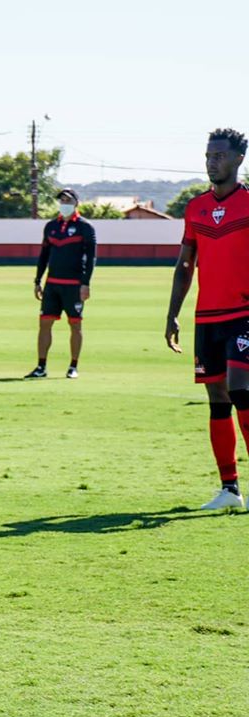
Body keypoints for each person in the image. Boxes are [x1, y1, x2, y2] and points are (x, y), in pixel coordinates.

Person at [165, 127, 249, 511]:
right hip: (208, 317)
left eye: (218, 155)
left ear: (238, 160)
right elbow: (185, 264)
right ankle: (229, 489)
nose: (211, 161)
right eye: (208, 155)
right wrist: (172, 314)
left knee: (240, 387)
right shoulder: (195, 208)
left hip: (244, 313)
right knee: (217, 398)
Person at [25, 188, 96, 379]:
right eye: (62, 200)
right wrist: (38, 280)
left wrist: (85, 283)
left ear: (76, 203)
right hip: (52, 284)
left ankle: (73, 367)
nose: (64, 203)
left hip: (73, 285)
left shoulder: (85, 227)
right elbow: (44, 255)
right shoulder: (50, 227)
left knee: (75, 325)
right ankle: (41, 367)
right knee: (44, 324)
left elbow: (91, 258)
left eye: (68, 200)